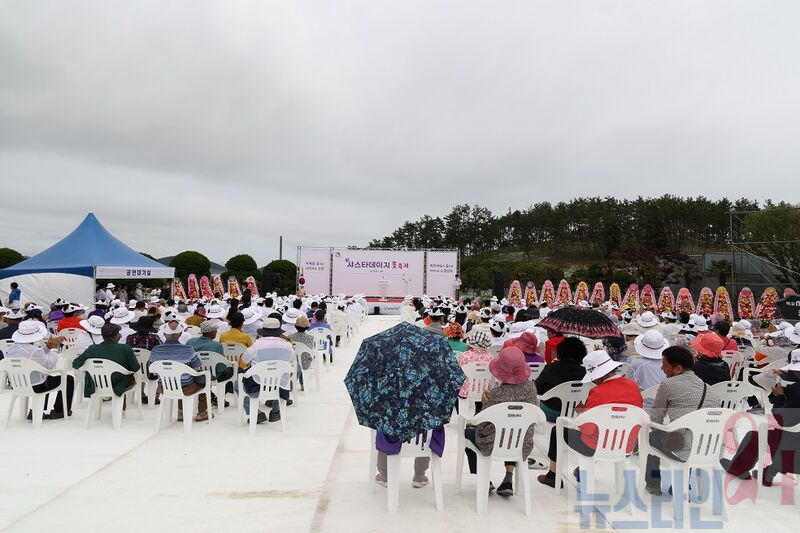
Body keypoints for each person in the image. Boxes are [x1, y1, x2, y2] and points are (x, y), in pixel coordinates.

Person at [538, 350, 643, 488]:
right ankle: (583, 469)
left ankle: (552, 476)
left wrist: (581, 412)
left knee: (557, 431)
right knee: (607, 432)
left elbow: (587, 429)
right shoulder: (633, 387)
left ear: (599, 376)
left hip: (596, 447)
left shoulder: (597, 392)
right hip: (626, 446)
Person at [644, 346, 721, 495]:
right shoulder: (708, 388)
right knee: (692, 436)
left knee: (650, 438)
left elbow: (655, 418)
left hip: (682, 448)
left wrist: (666, 431)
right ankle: (680, 485)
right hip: (710, 448)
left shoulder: (668, 384)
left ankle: (653, 483)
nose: (661, 368)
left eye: (664, 365)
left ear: (678, 368)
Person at [463, 346, 537, 496]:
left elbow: (482, 425)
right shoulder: (531, 389)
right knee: (513, 431)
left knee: (467, 433)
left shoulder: (495, 395)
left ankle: (484, 479)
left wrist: (484, 404)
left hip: (494, 444)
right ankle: (508, 478)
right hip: (522, 443)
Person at [720, 348, 800, 484]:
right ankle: (770, 471)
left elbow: (781, 419)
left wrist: (780, 396)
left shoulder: (795, 389)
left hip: (792, 448)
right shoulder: (795, 388)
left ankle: (738, 468)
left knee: (755, 435)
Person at [7, 320, 74, 419]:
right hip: (35, 385)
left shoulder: (12, 348)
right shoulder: (34, 350)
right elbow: (50, 365)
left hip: (17, 384)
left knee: (44, 377)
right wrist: (54, 349)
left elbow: (35, 356)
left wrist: (47, 347)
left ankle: (37, 411)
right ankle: (59, 411)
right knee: (68, 379)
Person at [147, 320, 208, 422]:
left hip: (164, 387)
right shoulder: (188, 349)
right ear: (180, 334)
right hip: (186, 388)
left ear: (164, 334)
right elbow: (196, 369)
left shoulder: (155, 350)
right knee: (203, 381)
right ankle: (202, 413)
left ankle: (181, 412)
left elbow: (151, 368)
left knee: (181, 379)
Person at [240, 317, 294, 424]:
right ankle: (275, 411)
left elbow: (244, 359)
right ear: (279, 332)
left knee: (238, 385)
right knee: (285, 380)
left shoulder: (256, 345)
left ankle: (256, 413)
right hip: (279, 386)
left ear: (263, 332)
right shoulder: (288, 346)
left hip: (258, 385)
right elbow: (292, 360)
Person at [72, 323, 140, 401]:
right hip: (119, 384)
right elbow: (135, 368)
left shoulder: (92, 349)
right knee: (129, 377)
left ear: (102, 336)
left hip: (97, 384)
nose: (120, 334)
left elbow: (75, 364)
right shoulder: (125, 349)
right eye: (118, 333)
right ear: (116, 336)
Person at [535, 337, 588, 422]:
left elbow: (537, 389)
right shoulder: (585, 373)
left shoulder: (550, 368)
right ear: (582, 353)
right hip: (577, 413)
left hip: (552, 413)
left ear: (560, 351)